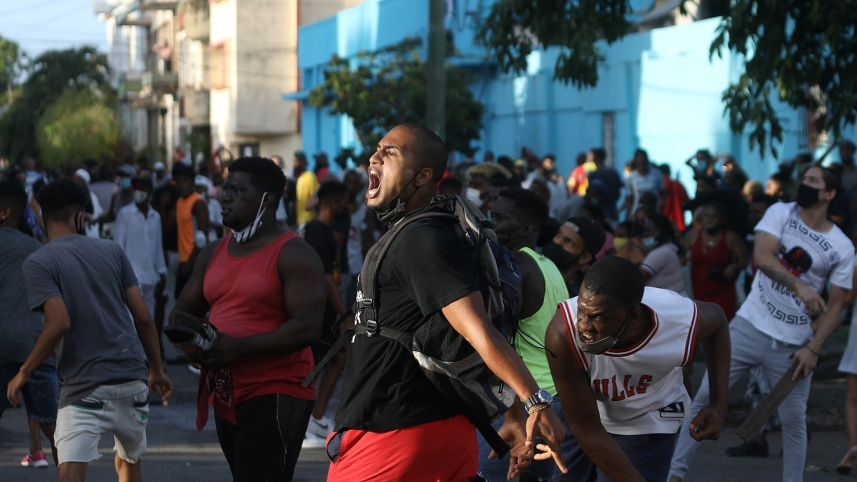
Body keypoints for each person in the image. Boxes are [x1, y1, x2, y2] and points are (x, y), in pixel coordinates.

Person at [328, 124, 567, 481]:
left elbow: (478, 330)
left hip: (393, 433)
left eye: (390, 152)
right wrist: (514, 416)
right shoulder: (428, 230)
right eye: (377, 149)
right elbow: (453, 336)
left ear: (423, 176)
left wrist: (534, 402)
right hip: (436, 428)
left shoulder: (422, 237)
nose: (374, 158)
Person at [669, 166, 855, 482]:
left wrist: (813, 348)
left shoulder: (842, 247)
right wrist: (800, 287)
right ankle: (674, 475)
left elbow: (838, 304)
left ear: (829, 193)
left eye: (813, 181)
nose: (804, 184)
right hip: (747, 326)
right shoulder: (781, 212)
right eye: (804, 179)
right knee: (704, 398)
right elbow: (763, 257)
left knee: (793, 421)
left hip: (793, 346)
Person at [170, 157, 326, 481]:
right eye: (225, 189)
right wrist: (195, 344)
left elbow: (308, 327)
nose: (224, 197)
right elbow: (182, 311)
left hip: (277, 389)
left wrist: (237, 347)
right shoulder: (213, 251)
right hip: (226, 390)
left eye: (237, 191)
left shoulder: (294, 253)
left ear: (267, 200)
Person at [7, 179, 172, 481]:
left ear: (42, 219)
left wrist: (24, 372)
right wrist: (157, 370)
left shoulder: (39, 261)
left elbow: (59, 322)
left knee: (71, 472)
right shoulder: (113, 251)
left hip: (84, 386)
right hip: (132, 379)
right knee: (129, 466)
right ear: (80, 217)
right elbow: (144, 319)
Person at [539, 256, 730, 481]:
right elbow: (587, 429)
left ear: (633, 316)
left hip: (648, 419)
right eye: (581, 310)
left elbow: (718, 320)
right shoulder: (563, 333)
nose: (583, 325)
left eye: (597, 317)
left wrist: (718, 405)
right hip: (589, 413)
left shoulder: (677, 320)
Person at [478, 187, 573, 481]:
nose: (492, 224)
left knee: (483, 475)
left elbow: (490, 332)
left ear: (527, 228)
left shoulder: (515, 267)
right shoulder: (546, 265)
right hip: (551, 395)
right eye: (492, 215)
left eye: (501, 218)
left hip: (525, 400)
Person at [0, 181, 59, 468]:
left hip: (2, 347)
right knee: (56, 431)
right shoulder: (37, 248)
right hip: (37, 348)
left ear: (3, 212)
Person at [302, 180, 352, 444]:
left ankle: (315, 418)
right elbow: (325, 279)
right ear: (334, 203)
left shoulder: (318, 230)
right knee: (318, 363)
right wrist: (344, 314)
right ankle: (308, 420)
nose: (347, 208)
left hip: (321, 311)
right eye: (344, 202)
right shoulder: (318, 233)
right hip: (318, 312)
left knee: (336, 357)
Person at [113, 177, 168, 360]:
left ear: (150, 192)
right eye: (136, 188)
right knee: (129, 320)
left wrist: (162, 271)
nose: (139, 192)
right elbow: (118, 246)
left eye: (142, 188)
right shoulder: (125, 214)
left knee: (147, 320)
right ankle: (129, 358)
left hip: (150, 276)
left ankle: (145, 360)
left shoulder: (155, 217)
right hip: (130, 277)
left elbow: (157, 247)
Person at [684, 201, 747, 319]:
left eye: (714, 216)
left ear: (722, 219)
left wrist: (734, 267)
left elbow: (744, 261)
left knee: (723, 324)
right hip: (698, 292)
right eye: (706, 216)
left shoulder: (731, 237)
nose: (709, 220)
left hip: (723, 293)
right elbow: (681, 257)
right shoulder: (693, 235)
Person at [542, 215, 606, 297]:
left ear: (584, 258)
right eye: (559, 234)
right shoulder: (530, 267)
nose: (558, 242)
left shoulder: (578, 299)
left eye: (569, 242)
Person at [172, 162, 208, 298]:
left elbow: (202, 237)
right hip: (183, 260)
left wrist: (190, 262)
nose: (181, 184)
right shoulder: (179, 202)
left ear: (192, 181)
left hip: (194, 262)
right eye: (178, 181)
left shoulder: (198, 202)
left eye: (185, 180)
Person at [639, 213, 687, 296]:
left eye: (648, 231)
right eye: (644, 231)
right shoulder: (668, 249)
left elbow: (637, 278)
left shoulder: (661, 252)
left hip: (670, 301)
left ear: (660, 232)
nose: (644, 234)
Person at [294, 150, 318, 228]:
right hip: (300, 221)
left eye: (297, 161)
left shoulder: (310, 176)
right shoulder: (299, 178)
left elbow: (314, 197)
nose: (295, 164)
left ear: (303, 162)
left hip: (308, 220)